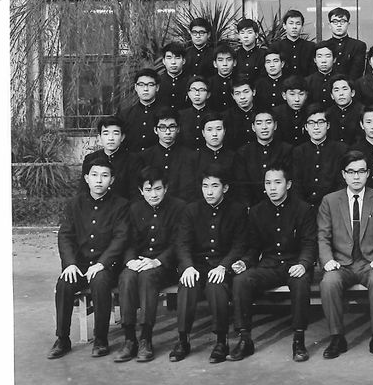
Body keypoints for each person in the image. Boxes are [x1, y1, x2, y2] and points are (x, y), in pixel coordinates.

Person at [230, 163, 317, 362]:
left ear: (288, 184)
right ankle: (245, 339)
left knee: (301, 282)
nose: (272, 188)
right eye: (268, 183)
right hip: (269, 266)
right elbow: (253, 248)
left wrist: (303, 264)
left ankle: (299, 340)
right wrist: (245, 262)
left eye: (277, 182)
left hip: (295, 265)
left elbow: (309, 244)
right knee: (241, 280)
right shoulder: (257, 211)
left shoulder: (303, 210)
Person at [317, 150, 373, 359]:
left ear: (368, 173)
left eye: (361, 171)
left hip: (369, 263)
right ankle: (337, 337)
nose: (356, 177)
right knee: (328, 282)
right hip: (341, 264)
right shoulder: (330, 201)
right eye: (351, 172)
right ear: (343, 174)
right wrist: (327, 260)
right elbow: (323, 235)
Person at [48, 155, 129, 359]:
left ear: (112, 179)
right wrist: (69, 264)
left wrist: (102, 263)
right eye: (94, 175)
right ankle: (62, 339)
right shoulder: (74, 204)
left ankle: (101, 339)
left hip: (106, 266)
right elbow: (65, 235)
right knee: (64, 283)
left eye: (104, 175)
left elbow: (121, 237)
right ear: (86, 178)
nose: (99, 180)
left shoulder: (121, 205)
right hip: (80, 264)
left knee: (100, 281)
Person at [172, 163, 247, 363]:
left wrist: (224, 266)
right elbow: (182, 243)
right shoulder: (191, 210)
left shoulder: (237, 210)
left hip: (222, 265)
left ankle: (221, 341)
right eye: (205, 186)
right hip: (198, 265)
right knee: (187, 284)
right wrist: (188, 267)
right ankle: (183, 339)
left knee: (216, 285)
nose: (209, 192)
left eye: (215, 186)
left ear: (225, 188)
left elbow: (240, 245)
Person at [114, 166, 186, 363]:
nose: (153, 195)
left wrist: (157, 261)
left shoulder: (179, 208)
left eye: (158, 189)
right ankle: (129, 339)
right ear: (141, 190)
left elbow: (179, 243)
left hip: (166, 266)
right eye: (148, 190)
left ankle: (146, 338)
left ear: (166, 188)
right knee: (126, 277)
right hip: (140, 261)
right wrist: (131, 261)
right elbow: (128, 240)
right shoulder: (134, 209)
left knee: (148, 277)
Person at [136, 107, 199, 202]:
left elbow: (190, 190)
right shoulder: (144, 156)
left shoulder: (190, 156)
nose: (168, 132)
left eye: (172, 127)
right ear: (155, 130)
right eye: (162, 127)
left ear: (178, 129)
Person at [292, 103, 349, 207]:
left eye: (321, 122)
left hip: (333, 206)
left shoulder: (341, 150)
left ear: (328, 125)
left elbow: (342, 183)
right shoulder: (298, 151)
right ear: (306, 127)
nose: (316, 127)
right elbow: (296, 185)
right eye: (311, 123)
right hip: (304, 208)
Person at [235, 111, 293, 207]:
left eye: (268, 122)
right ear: (253, 127)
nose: (264, 127)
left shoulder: (286, 150)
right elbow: (242, 186)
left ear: (275, 125)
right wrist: (248, 207)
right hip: (253, 207)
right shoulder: (243, 152)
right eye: (259, 123)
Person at [79, 116, 138, 200]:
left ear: (122, 137)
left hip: (123, 206)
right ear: (99, 137)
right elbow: (83, 190)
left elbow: (135, 194)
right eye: (106, 134)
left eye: (116, 133)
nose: (111, 138)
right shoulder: (90, 159)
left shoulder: (132, 160)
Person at [117, 68, 161, 152]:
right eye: (141, 85)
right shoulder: (125, 115)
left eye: (150, 85)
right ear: (136, 87)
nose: (145, 89)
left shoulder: (166, 113)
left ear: (157, 87)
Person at [325, 7, 367, 79]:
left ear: (348, 24)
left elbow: (357, 72)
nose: (339, 25)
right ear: (329, 25)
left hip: (351, 84)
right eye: (335, 22)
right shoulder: (324, 46)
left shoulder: (358, 46)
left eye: (342, 21)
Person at [273, 9, 315, 77]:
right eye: (291, 23)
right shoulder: (276, 47)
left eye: (298, 24)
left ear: (302, 27)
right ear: (284, 26)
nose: (294, 27)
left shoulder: (311, 47)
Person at [325, 74, 364, 145]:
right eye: (336, 90)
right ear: (332, 96)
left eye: (345, 89)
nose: (341, 93)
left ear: (352, 93)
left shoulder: (362, 111)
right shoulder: (328, 113)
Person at [272, 75, 309, 145]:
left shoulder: (310, 112)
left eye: (301, 94)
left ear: (306, 95)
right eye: (292, 94)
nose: (297, 99)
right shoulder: (276, 113)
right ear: (284, 95)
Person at [178, 75, 211, 151]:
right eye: (193, 90)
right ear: (188, 94)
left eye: (201, 90)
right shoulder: (180, 115)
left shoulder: (214, 115)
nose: (197, 93)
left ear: (208, 94)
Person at [224, 74, 258, 148]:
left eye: (246, 92)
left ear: (253, 92)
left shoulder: (263, 113)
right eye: (237, 93)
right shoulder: (226, 117)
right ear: (233, 96)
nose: (242, 97)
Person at [156, 41, 189, 111]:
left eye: (177, 58)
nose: (173, 62)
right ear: (163, 61)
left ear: (183, 61)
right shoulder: (157, 81)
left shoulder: (190, 82)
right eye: (169, 58)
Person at [234, 18, 266, 83]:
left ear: (256, 35)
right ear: (238, 36)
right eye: (242, 33)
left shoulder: (263, 55)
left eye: (249, 32)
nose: (245, 36)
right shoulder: (234, 55)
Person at [254, 45, 286, 110]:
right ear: (265, 65)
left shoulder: (288, 83)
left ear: (282, 64)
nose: (272, 65)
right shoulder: (258, 84)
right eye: (268, 62)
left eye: (275, 61)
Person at [306, 41, 337, 106]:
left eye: (328, 56)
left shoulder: (342, 81)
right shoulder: (307, 82)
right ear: (315, 60)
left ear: (334, 59)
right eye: (319, 56)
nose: (323, 61)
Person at [208, 43, 237, 111]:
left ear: (235, 62)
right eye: (220, 60)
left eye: (228, 60)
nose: (225, 64)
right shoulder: (209, 83)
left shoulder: (240, 82)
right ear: (215, 64)